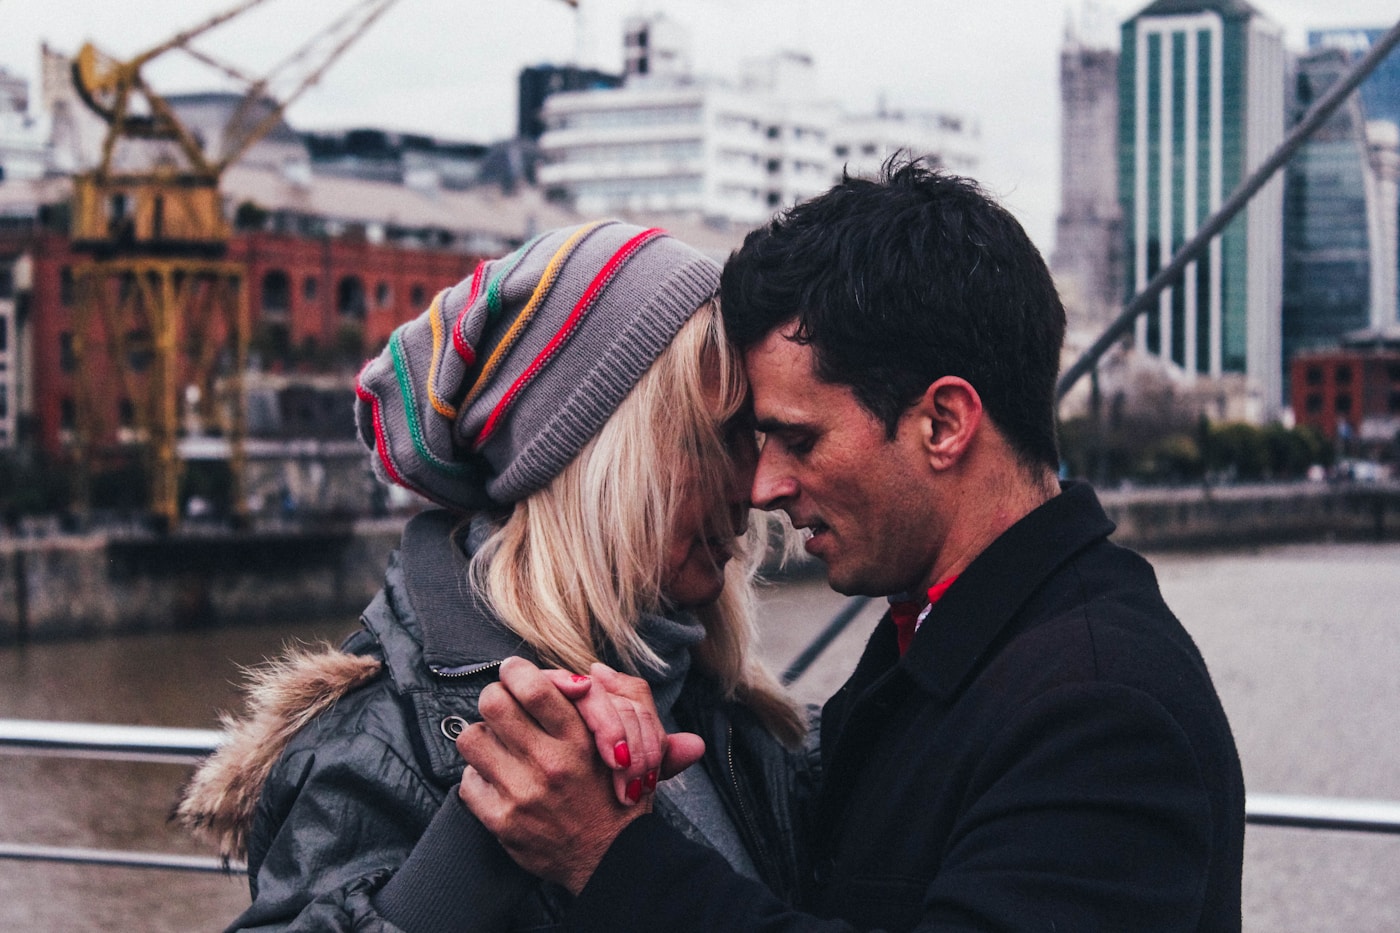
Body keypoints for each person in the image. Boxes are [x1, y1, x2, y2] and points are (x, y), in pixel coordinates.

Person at [456, 162, 1248, 931]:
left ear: (943, 423)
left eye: (798, 438)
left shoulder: (1101, 712)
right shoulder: (956, 645)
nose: (762, 486)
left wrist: (611, 855)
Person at [177, 219, 812, 931]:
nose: (754, 484)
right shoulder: (387, 738)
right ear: (600, 461)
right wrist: (478, 849)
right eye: (716, 438)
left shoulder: (720, 700)